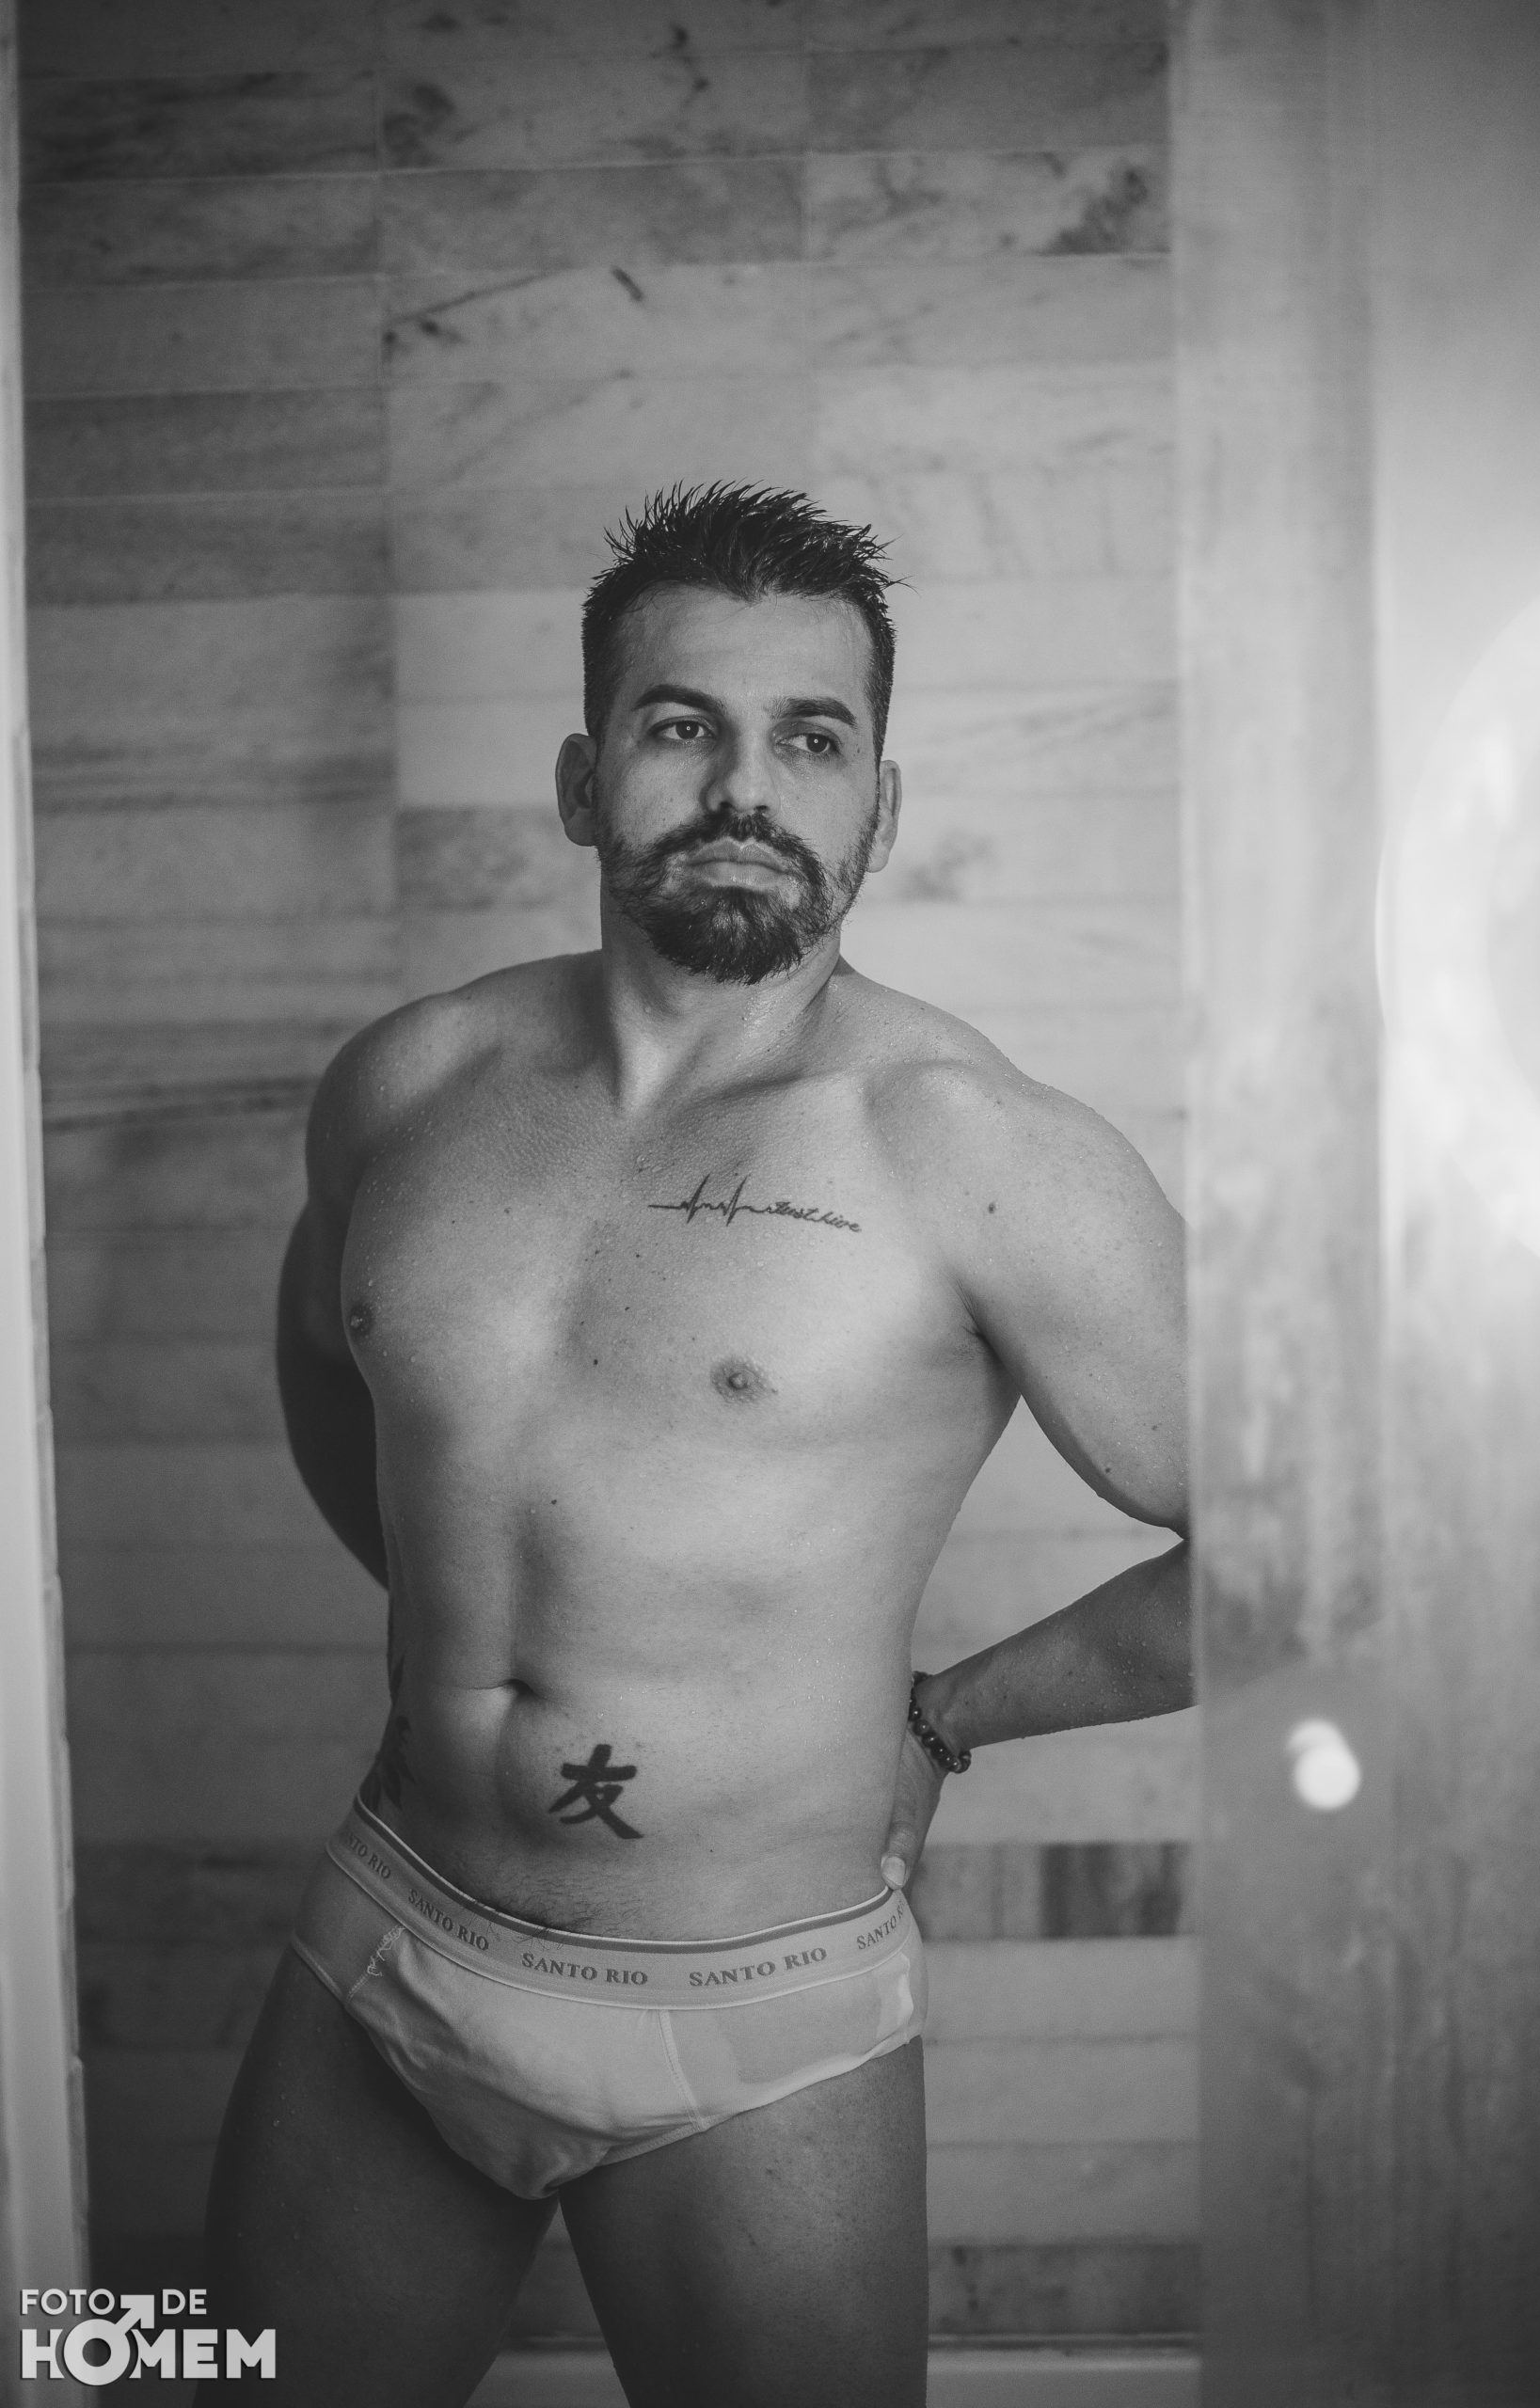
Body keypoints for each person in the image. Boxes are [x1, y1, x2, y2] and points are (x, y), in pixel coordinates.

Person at [204, 484, 1190, 2407]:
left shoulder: (978, 1150)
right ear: (586, 780)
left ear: (879, 807)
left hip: (752, 2023)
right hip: (390, 1940)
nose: (747, 785)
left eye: (812, 738)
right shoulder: (408, 1082)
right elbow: (333, 1359)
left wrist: (948, 1716)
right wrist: (480, 1621)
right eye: (682, 724)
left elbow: (1317, 1555)